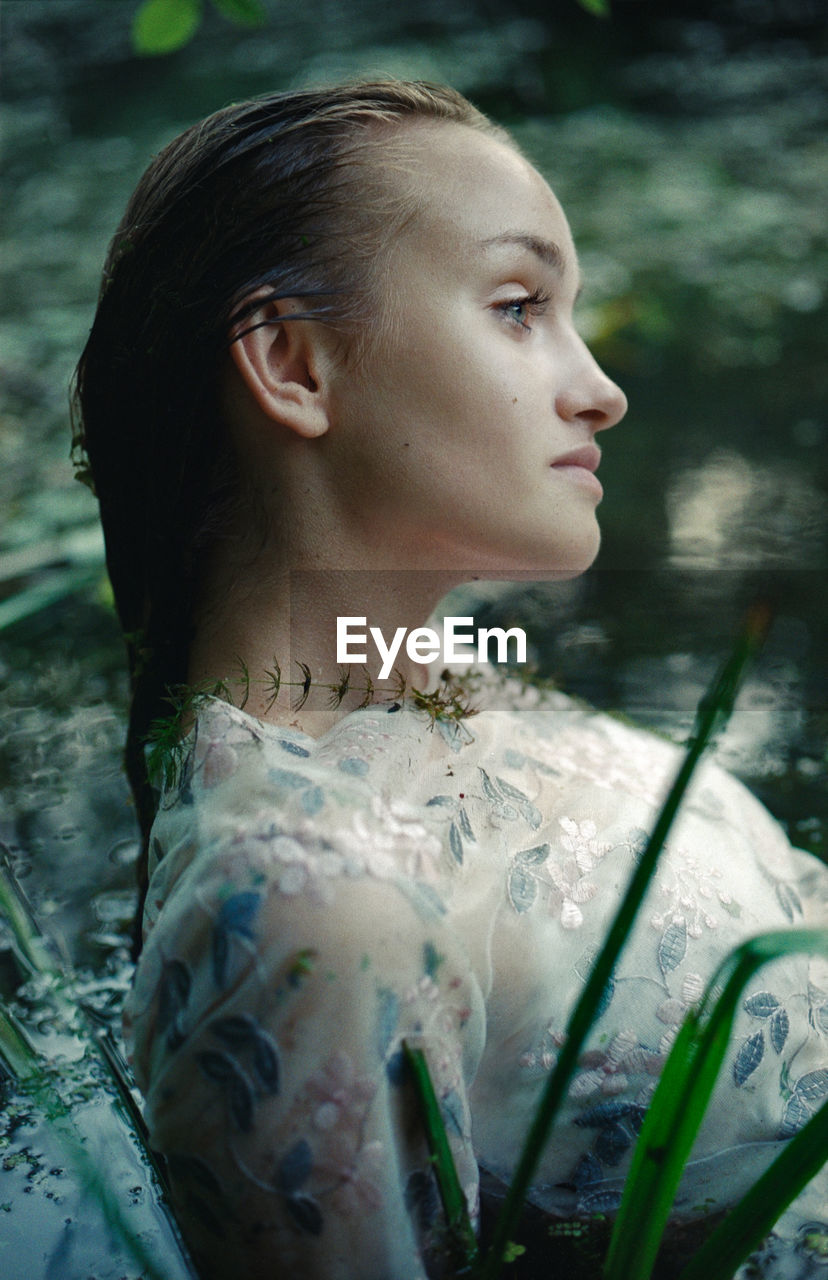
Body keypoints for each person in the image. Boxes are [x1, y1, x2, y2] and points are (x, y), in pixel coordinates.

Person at [72, 81, 827, 1279]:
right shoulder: (301, 904)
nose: (601, 389)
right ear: (293, 361)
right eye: (520, 305)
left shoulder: (431, 676)